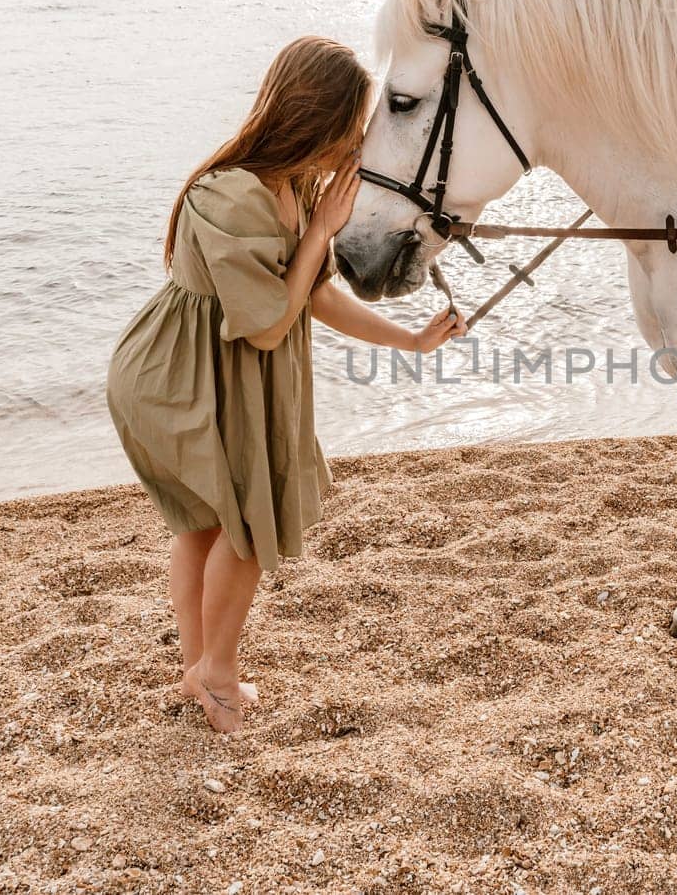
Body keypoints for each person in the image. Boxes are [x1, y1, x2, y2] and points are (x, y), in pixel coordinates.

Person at [106, 36, 465, 732]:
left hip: (228, 372)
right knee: (239, 529)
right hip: (177, 378)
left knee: (212, 525)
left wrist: (412, 338)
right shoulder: (228, 196)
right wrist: (322, 230)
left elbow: (315, 297)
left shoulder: (297, 186)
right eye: (349, 126)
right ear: (313, 117)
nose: (357, 142)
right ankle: (215, 675)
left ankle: (200, 671)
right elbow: (270, 323)